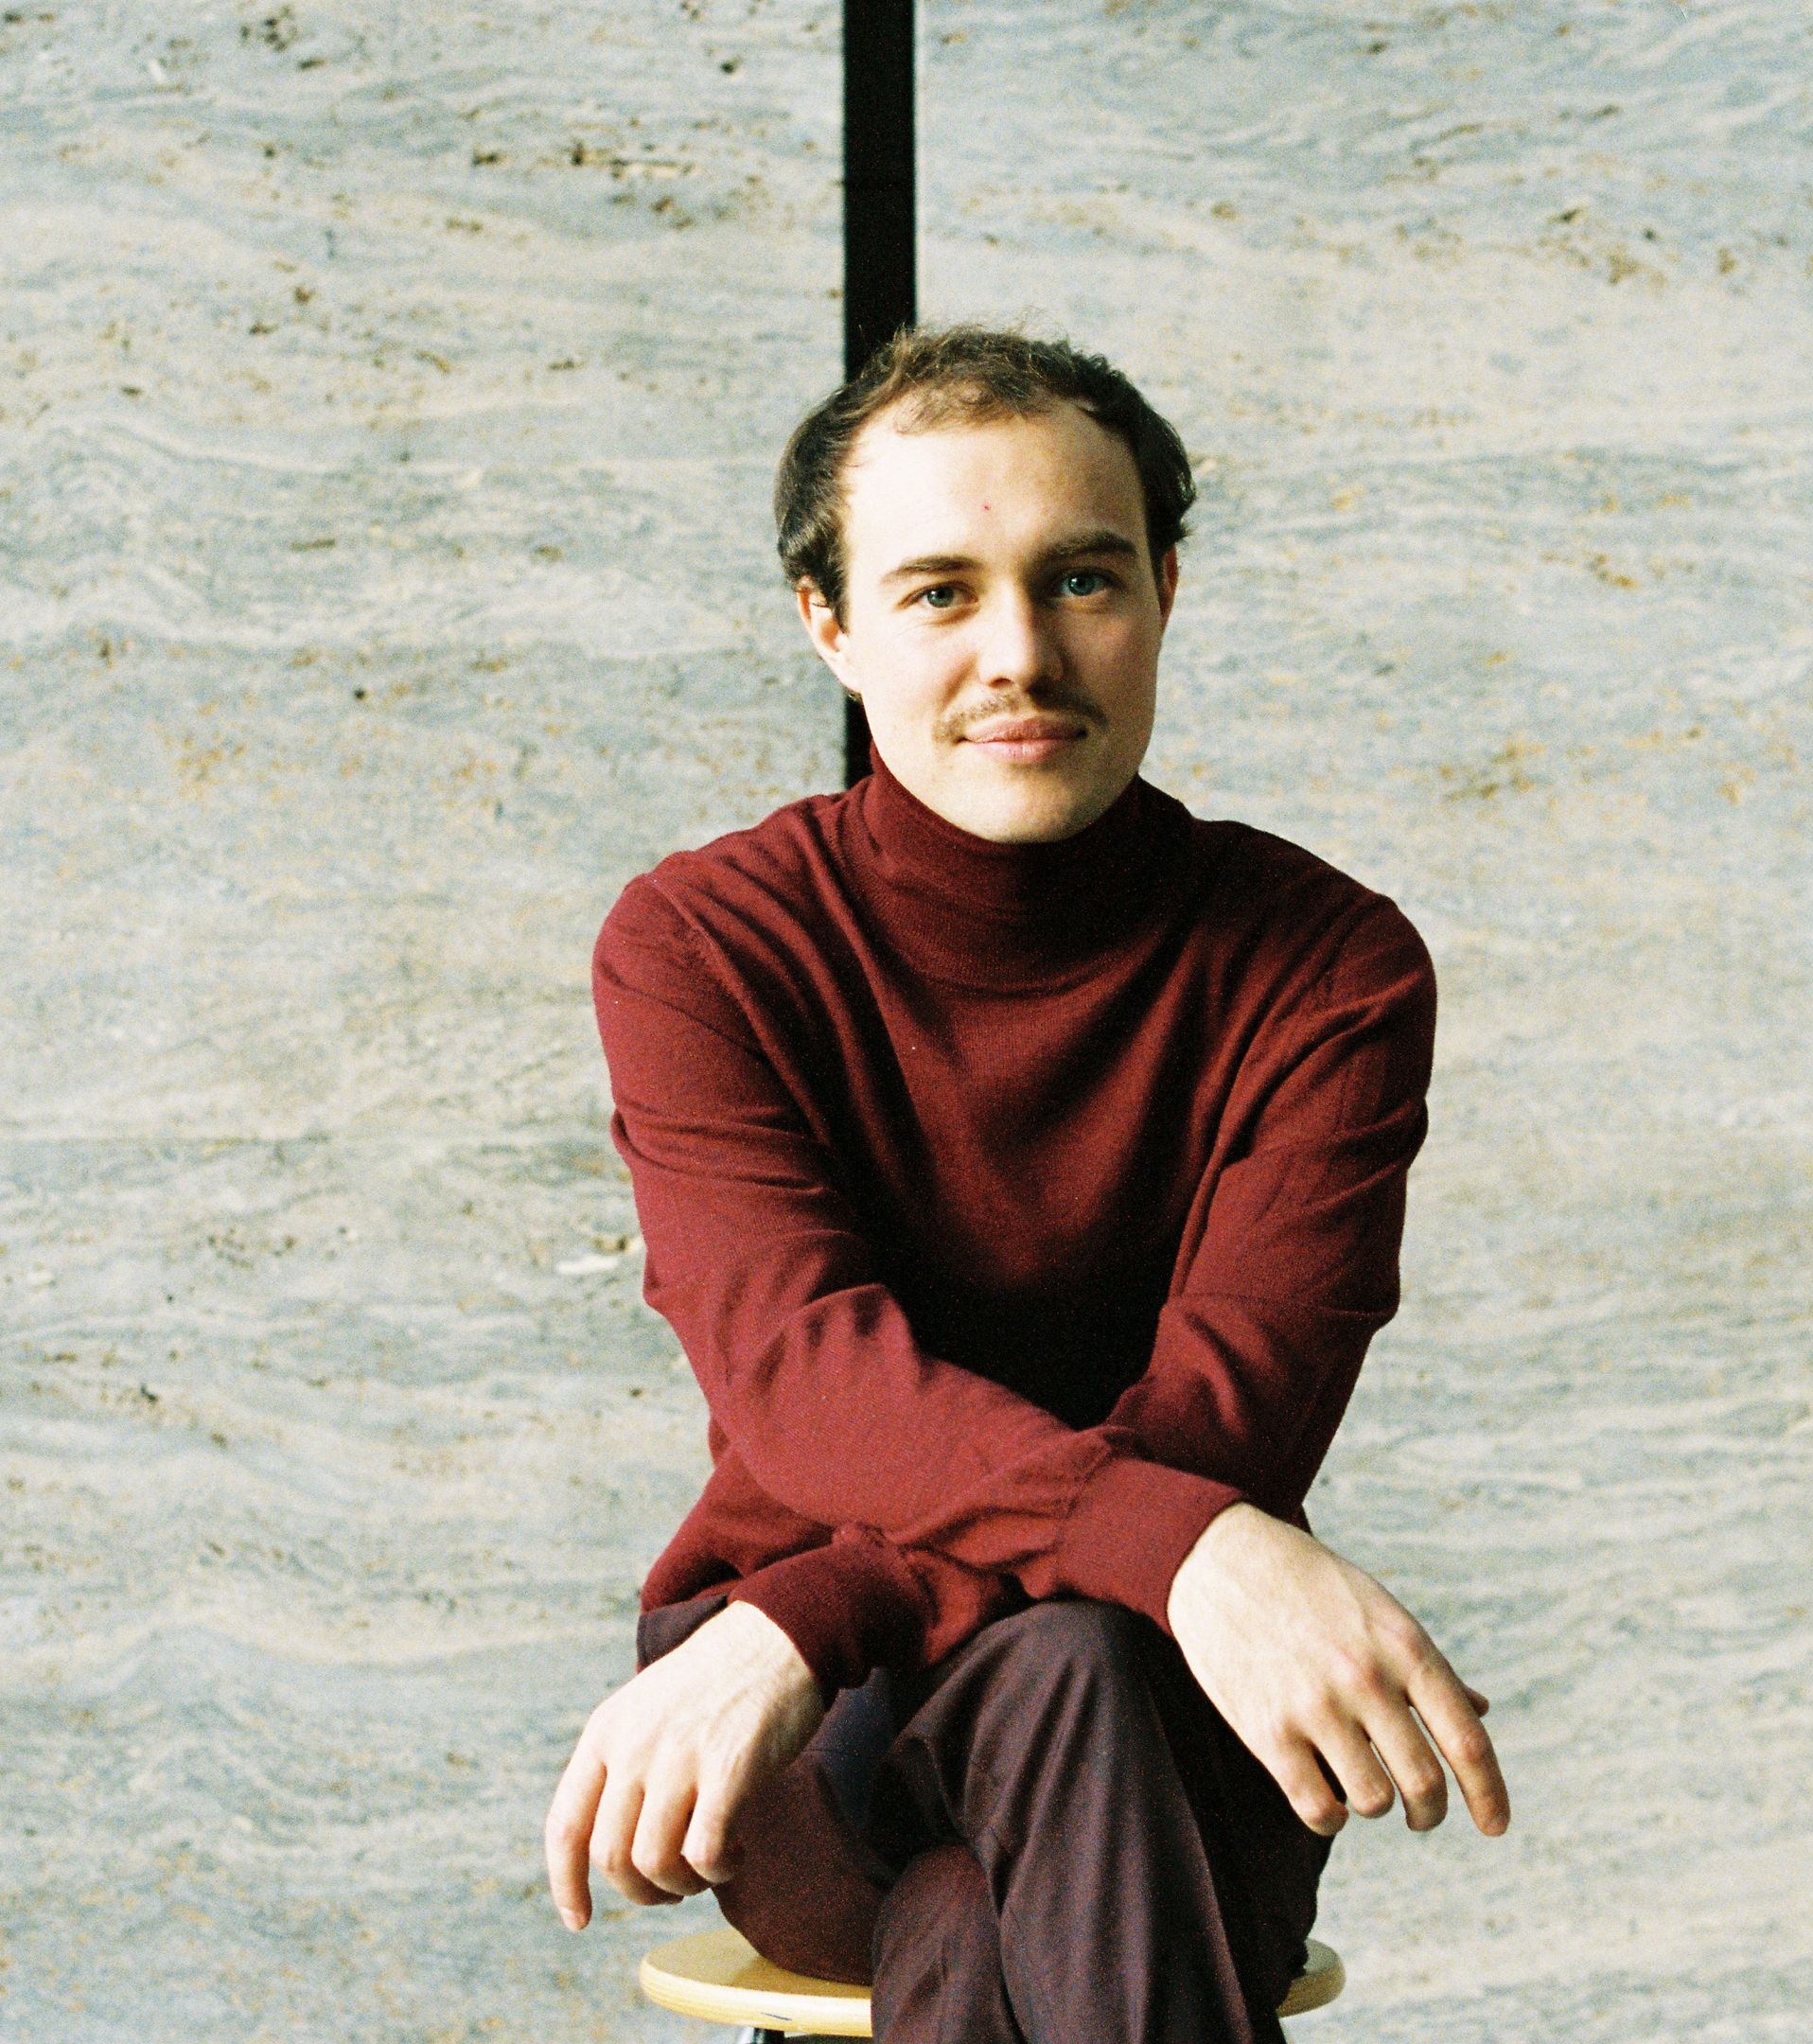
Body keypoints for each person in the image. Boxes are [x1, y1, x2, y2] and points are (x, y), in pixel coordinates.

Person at [543, 324, 1509, 2043]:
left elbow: (1227, 1413)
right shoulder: (705, 944)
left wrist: (814, 1604)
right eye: (938, 593)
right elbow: (809, 1380)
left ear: (1162, 591)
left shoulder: (1324, 965)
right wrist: (1177, 1550)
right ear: (828, 625)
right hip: (818, 1739)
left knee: (1019, 1817)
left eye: (1080, 580)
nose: (1020, 655)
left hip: (1121, 1685)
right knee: (1078, 1677)